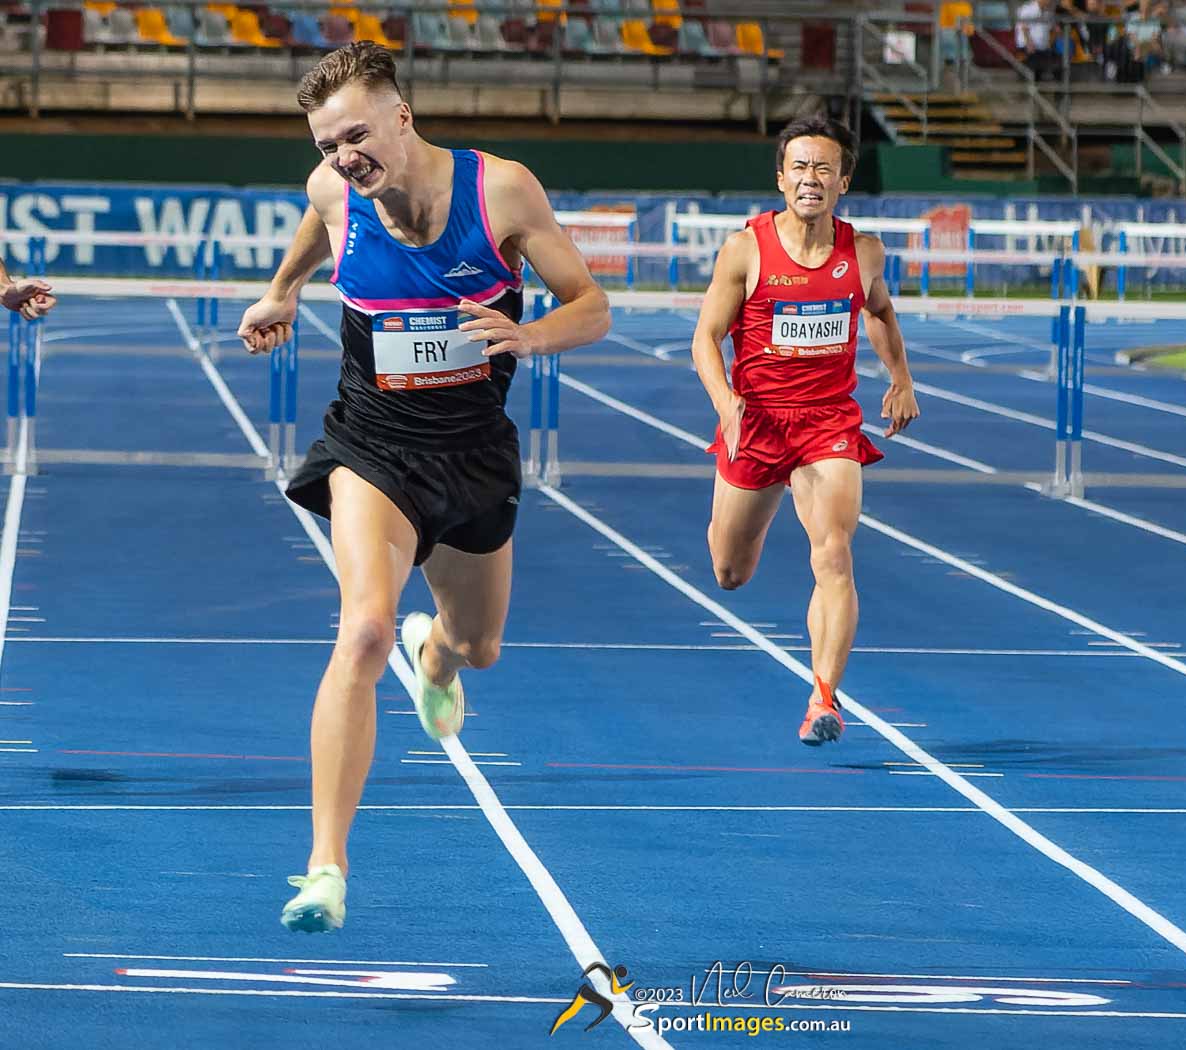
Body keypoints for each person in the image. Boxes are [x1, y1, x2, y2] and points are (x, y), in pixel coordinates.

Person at [236, 42, 610, 933]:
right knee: (361, 631)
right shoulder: (335, 194)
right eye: (328, 145)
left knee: (478, 647)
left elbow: (590, 305)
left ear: (402, 116)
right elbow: (313, 231)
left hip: (474, 453)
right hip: (372, 447)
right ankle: (325, 867)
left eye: (356, 135)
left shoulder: (501, 191)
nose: (342, 158)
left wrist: (532, 337)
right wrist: (281, 292)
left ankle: (434, 655)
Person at [690, 110, 919, 748]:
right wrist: (725, 400)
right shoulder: (745, 249)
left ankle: (823, 697)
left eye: (824, 167)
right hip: (756, 421)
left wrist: (900, 378)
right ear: (781, 179)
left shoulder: (863, 252)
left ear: (843, 180)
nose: (810, 178)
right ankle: (741, 531)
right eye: (799, 167)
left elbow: (879, 311)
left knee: (834, 553)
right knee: (728, 571)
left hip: (828, 425)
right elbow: (705, 338)